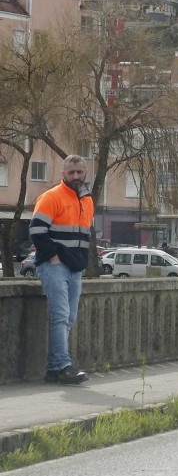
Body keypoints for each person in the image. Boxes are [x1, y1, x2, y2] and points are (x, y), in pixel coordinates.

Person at [30, 155, 95, 384]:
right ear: (63, 175)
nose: (75, 176)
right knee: (60, 316)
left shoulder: (87, 200)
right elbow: (36, 231)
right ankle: (65, 366)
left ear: (85, 173)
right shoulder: (51, 197)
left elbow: (85, 236)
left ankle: (53, 369)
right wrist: (54, 257)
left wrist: (81, 262)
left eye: (79, 172)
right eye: (71, 173)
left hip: (75, 268)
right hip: (53, 266)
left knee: (69, 317)